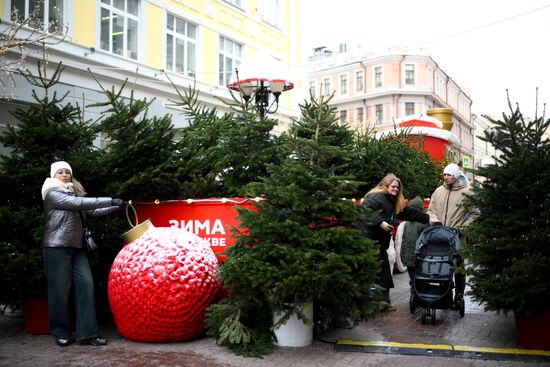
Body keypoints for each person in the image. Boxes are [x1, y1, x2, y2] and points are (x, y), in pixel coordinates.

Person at [41, 161, 126, 347]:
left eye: (67, 172)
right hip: (57, 247)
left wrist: (116, 207)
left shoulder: (72, 192)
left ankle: (87, 334)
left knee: (86, 287)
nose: (64, 175)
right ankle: (60, 332)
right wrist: (110, 200)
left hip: (77, 247)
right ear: (53, 176)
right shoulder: (52, 193)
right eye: (60, 172)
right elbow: (78, 203)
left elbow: (91, 210)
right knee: (59, 292)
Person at [362, 174, 429, 311]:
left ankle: (382, 303)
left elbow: (409, 213)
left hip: (379, 244)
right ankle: (374, 304)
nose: (395, 189)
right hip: (369, 242)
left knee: (384, 273)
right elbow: (365, 210)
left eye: (397, 187)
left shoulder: (393, 201)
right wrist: (380, 222)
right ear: (385, 185)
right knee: (377, 273)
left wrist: (428, 218)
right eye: (393, 186)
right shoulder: (376, 197)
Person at [426, 162, 480, 306]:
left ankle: (459, 296)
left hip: (457, 237)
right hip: (439, 237)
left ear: (456, 176)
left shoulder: (467, 193)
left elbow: (475, 214)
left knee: (459, 268)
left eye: (449, 174)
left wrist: (462, 228)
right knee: (442, 266)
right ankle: (444, 294)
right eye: (444, 174)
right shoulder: (438, 191)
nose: (446, 177)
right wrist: (434, 221)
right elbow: (430, 210)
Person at [394, 196, 428, 300]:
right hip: (419, 256)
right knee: (420, 276)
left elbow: (402, 240)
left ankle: (414, 293)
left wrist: (402, 254)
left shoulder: (406, 223)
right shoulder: (423, 222)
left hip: (409, 255)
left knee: (412, 276)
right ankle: (419, 293)